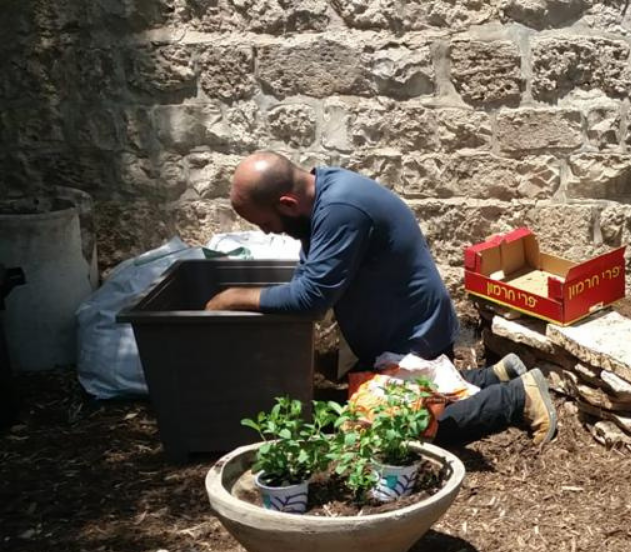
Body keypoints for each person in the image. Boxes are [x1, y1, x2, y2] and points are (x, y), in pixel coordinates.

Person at [205, 151, 557, 447]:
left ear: (287, 202)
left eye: (266, 223)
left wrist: (233, 297)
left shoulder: (341, 210)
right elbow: (309, 276)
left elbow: (311, 299)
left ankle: (516, 398)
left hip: (414, 338)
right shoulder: (321, 197)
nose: (268, 232)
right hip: (403, 332)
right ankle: (493, 376)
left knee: (389, 434)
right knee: (367, 406)